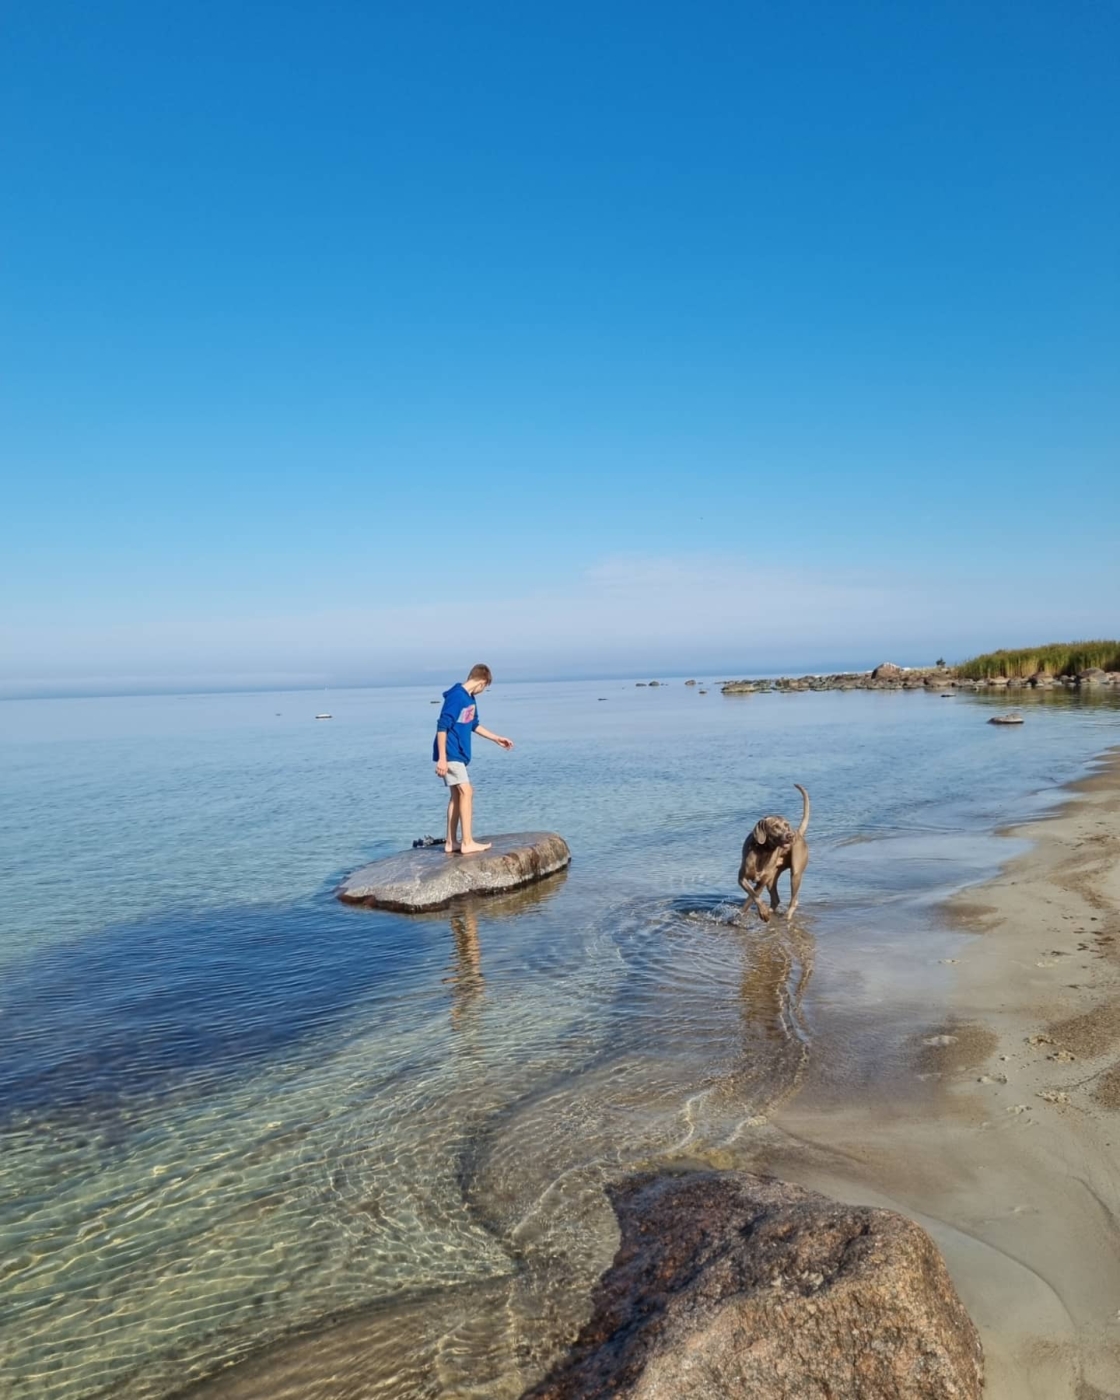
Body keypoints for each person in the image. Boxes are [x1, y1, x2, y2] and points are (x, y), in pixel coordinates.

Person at [433, 663, 514, 854]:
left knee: (457, 795)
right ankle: (467, 842)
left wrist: (496, 738)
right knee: (467, 791)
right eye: (485, 687)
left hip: (458, 754)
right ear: (481, 682)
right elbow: (442, 726)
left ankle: (451, 842)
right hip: (451, 752)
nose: (483, 691)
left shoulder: (470, 699)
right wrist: (442, 758)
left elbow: (473, 725)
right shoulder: (456, 696)